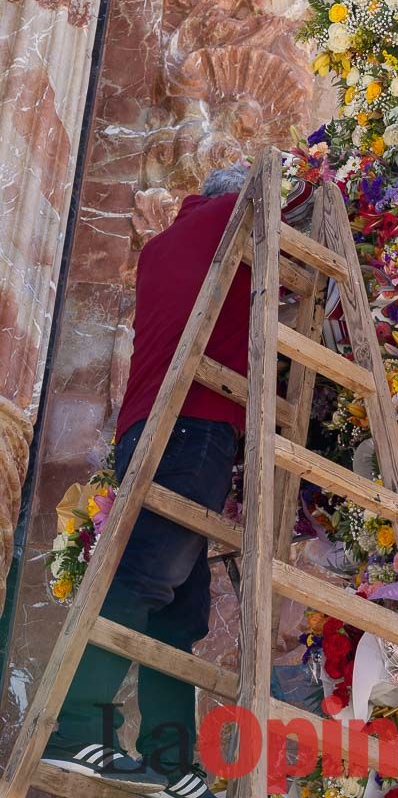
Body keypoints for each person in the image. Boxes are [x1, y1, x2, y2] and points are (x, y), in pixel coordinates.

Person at [43, 164, 254, 798]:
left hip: (149, 429)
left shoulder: (165, 244)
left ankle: (170, 758)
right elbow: (286, 190)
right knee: (146, 577)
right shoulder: (232, 222)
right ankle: (75, 725)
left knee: (179, 610)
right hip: (195, 426)